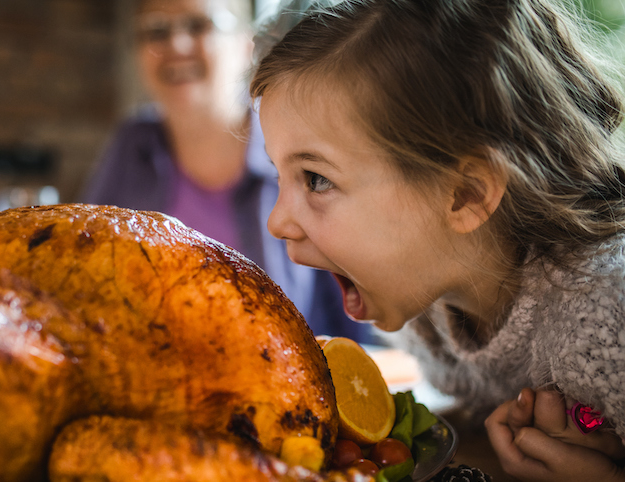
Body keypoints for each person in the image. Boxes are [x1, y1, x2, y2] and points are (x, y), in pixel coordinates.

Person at [249, 0, 625, 481]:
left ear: (465, 195)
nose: (278, 221)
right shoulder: (424, 305)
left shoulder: (607, 314)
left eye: (316, 179)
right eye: (279, 173)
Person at [79, 0, 369, 340]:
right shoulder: (132, 145)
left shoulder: (303, 147)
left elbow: (363, 323)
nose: (176, 44)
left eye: (199, 25)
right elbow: (83, 277)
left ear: (246, 45)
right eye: (156, 30)